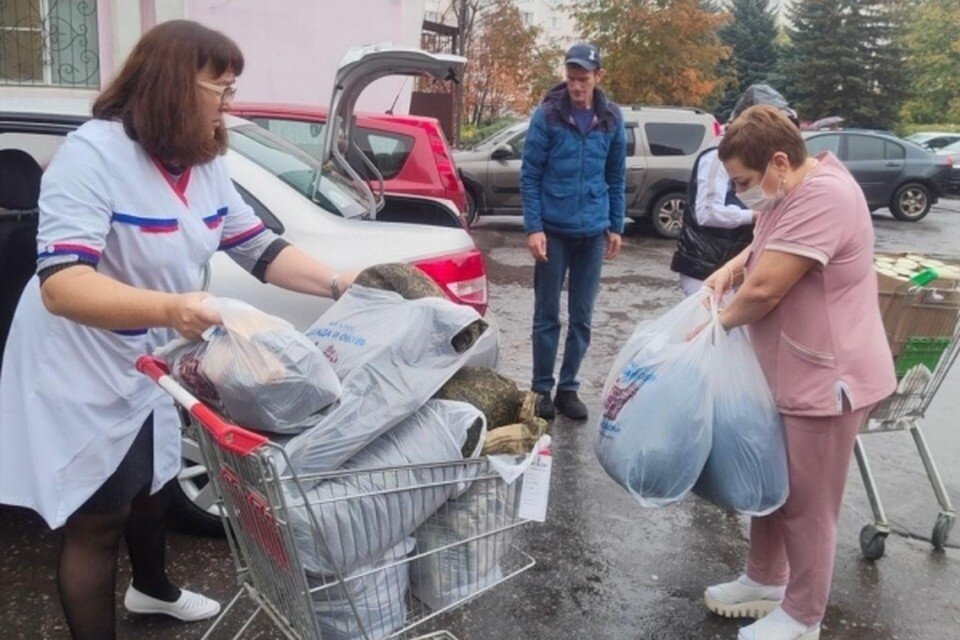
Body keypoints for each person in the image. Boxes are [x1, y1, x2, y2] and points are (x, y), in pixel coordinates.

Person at [0, 21, 355, 640]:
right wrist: (172, 309)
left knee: (156, 483)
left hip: (150, 354)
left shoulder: (205, 160)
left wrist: (338, 284)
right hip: (82, 358)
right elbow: (62, 284)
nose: (230, 102)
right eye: (220, 87)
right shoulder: (92, 157)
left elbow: (258, 247)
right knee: (99, 516)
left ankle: (152, 590)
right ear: (171, 86)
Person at [699, 105, 896, 640]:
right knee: (773, 484)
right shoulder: (790, 189)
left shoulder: (826, 195)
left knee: (808, 505)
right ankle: (765, 579)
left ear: (779, 162)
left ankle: (804, 615)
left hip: (828, 380)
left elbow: (766, 289)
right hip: (786, 372)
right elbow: (763, 250)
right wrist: (729, 268)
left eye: (743, 182)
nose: (741, 193)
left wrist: (708, 330)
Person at [521, 42, 626, 421]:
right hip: (554, 230)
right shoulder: (548, 116)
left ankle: (568, 388)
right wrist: (534, 227)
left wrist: (615, 224)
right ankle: (541, 388)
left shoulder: (611, 119)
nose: (576, 86)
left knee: (582, 315)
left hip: (592, 232)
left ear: (598, 77)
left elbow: (615, 176)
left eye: (583, 79)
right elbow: (530, 174)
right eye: (571, 78)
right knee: (546, 314)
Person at [671, 84, 799, 296]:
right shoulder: (718, 156)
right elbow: (707, 212)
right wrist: (753, 216)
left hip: (736, 264)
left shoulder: (759, 156)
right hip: (707, 266)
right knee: (713, 327)